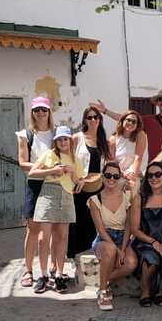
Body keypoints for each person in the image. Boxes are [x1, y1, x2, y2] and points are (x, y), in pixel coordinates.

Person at [28, 126, 85, 294]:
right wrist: (53, 170)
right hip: (48, 194)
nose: (62, 142)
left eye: (65, 139)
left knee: (62, 237)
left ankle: (59, 274)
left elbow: (77, 181)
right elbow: (32, 172)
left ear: (70, 140)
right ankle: (44, 275)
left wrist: (75, 175)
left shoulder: (76, 159)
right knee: (42, 238)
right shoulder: (49, 154)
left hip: (66, 196)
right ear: (56, 141)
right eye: (59, 139)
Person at [91, 89, 162, 161]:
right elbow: (127, 119)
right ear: (157, 103)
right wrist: (105, 111)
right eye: (160, 99)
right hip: (154, 167)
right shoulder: (149, 120)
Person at [16, 96, 54, 288]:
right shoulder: (25, 134)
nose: (40, 113)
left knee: (52, 232)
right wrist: (47, 168)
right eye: (37, 110)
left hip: (55, 185)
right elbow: (23, 163)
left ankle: (49, 270)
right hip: (35, 184)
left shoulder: (56, 134)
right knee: (32, 230)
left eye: (44, 110)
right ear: (32, 112)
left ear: (49, 112)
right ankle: (28, 270)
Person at [89, 162, 138, 310]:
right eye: (108, 175)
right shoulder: (94, 200)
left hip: (123, 237)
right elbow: (101, 229)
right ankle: (103, 292)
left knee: (130, 263)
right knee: (110, 250)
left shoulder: (127, 196)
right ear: (103, 177)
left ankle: (103, 281)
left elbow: (129, 225)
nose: (111, 179)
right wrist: (117, 251)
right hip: (104, 238)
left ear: (120, 178)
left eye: (115, 176)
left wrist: (122, 248)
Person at [130, 162, 162, 307]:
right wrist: (153, 242)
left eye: (158, 174)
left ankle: (159, 290)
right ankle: (145, 292)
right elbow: (135, 229)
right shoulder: (140, 198)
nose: (154, 178)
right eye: (150, 175)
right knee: (150, 258)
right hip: (144, 239)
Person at [68, 106, 111, 258]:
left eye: (96, 117)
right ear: (85, 120)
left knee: (95, 223)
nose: (93, 120)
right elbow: (69, 161)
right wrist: (76, 179)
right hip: (80, 188)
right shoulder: (76, 138)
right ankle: (75, 258)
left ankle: (93, 258)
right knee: (78, 222)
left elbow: (109, 165)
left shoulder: (104, 141)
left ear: (100, 119)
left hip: (98, 188)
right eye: (90, 117)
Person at [109, 111, 147, 191]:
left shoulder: (140, 135)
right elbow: (111, 161)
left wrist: (132, 178)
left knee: (131, 191)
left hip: (134, 172)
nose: (130, 123)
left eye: (134, 122)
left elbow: (138, 158)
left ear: (137, 125)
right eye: (128, 120)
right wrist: (121, 173)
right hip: (117, 174)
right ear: (122, 121)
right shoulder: (113, 138)